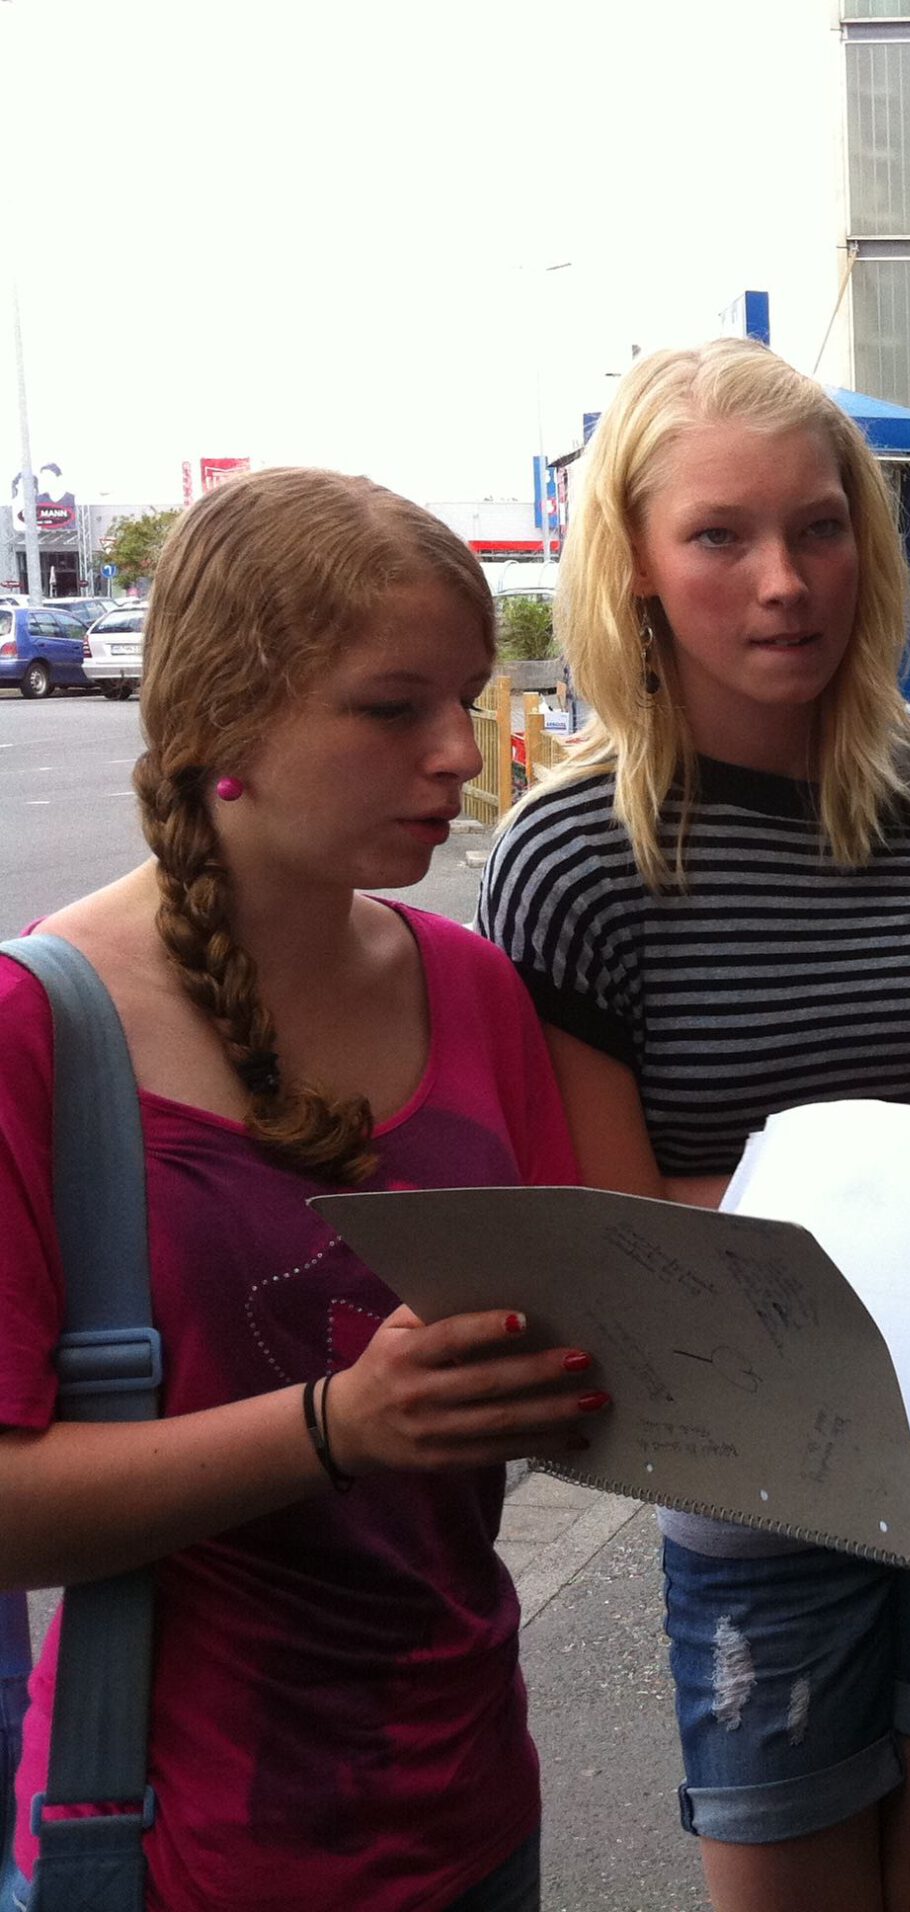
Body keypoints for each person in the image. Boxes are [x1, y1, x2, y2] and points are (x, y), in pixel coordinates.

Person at [477, 339, 910, 1912]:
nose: (785, 582)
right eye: (719, 537)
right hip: (748, 1467)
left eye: (818, 528)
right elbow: (626, 1244)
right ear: (633, 563)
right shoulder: (571, 856)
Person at [0, 469, 606, 1911]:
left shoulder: (472, 987)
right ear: (223, 718)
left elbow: (579, 1347)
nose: (460, 751)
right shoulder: (39, 1029)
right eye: (393, 708)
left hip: (472, 1808)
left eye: (467, 698)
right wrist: (336, 1426)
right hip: (172, 1849)